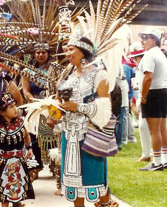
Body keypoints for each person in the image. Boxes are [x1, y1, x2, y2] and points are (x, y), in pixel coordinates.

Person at [58, 36, 117, 207]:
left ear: (83, 51)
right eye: (66, 49)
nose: (67, 53)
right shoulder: (68, 75)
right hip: (69, 135)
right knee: (74, 183)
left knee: (95, 177)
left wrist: (77, 107)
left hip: (89, 134)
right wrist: (55, 113)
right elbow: (61, 102)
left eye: (71, 49)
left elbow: (105, 109)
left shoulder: (99, 74)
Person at [21, 43, 62, 181]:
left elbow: (60, 86)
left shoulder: (55, 68)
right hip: (35, 107)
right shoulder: (28, 70)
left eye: (43, 52)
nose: (40, 55)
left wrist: (52, 102)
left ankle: (56, 165)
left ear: (48, 53)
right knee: (33, 137)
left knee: (53, 135)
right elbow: (26, 90)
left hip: (51, 105)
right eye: (37, 52)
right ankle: (35, 168)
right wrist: (32, 100)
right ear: (34, 54)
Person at [0, 93, 35, 207]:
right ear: (2, 112)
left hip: (19, 162)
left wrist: (29, 148)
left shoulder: (20, 123)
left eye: (15, 105)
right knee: (5, 194)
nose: (15, 109)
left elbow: (27, 136)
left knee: (18, 192)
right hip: (4, 164)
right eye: (11, 107)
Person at [137, 27, 167, 171]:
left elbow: (148, 77)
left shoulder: (150, 55)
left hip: (154, 93)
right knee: (162, 129)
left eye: (145, 38)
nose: (142, 41)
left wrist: (143, 96)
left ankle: (157, 162)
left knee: (154, 131)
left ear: (153, 39)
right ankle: (164, 159)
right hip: (163, 92)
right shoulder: (160, 54)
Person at [129, 48, 151, 162]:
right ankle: (146, 153)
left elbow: (148, 80)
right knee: (143, 126)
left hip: (147, 97)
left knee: (150, 126)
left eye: (135, 58)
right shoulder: (140, 67)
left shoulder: (146, 65)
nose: (134, 60)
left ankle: (151, 153)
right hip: (142, 96)